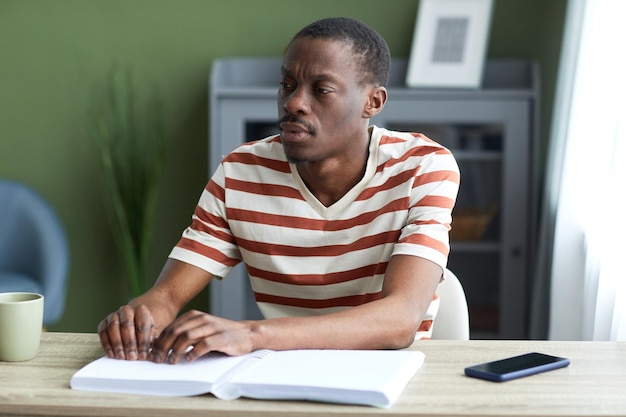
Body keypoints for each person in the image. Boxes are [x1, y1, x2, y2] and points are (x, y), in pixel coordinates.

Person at [98, 17, 460, 364]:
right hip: (280, 373)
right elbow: (166, 295)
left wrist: (254, 334)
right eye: (287, 84)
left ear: (373, 102)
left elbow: (401, 320)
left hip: (393, 374)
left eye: (321, 90)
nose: (293, 103)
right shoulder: (240, 172)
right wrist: (137, 319)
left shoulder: (422, 167)